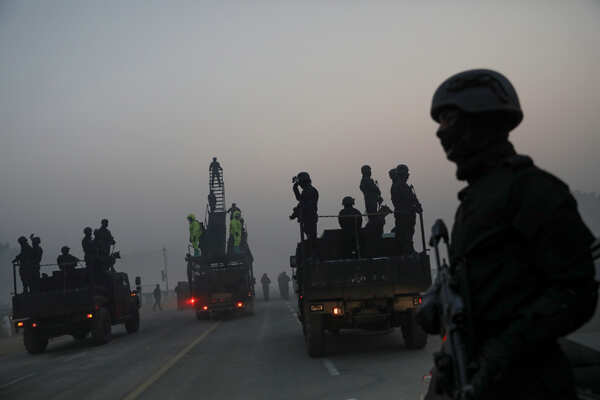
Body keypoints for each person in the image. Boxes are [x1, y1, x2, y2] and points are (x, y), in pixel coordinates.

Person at [419, 69, 597, 400]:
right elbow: (485, 285)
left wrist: (505, 349)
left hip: (529, 382)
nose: (440, 134)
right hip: (473, 374)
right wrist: (438, 302)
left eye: (448, 119)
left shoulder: (532, 191)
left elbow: (576, 291)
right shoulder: (474, 201)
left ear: (480, 121)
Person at [390, 164, 421, 253]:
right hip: (403, 214)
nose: (407, 175)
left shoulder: (404, 185)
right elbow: (400, 200)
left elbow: (411, 198)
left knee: (410, 232)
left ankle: (409, 249)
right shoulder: (397, 186)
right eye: (406, 173)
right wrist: (413, 205)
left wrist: (416, 205)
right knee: (405, 233)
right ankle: (407, 250)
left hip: (409, 214)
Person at [290, 172, 319, 256]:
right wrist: (295, 187)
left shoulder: (309, 190)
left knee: (312, 238)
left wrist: (296, 212)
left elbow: (303, 203)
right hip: (308, 217)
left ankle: (314, 255)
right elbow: (301, 200)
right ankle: (313, 254)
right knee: (310, 237)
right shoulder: (307, 190)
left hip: (310, 217)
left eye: (300, 183)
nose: (300, 185)